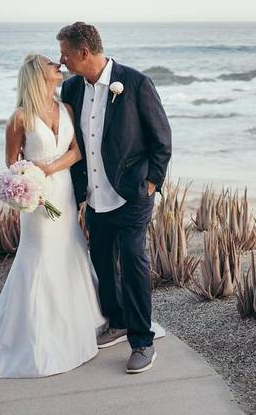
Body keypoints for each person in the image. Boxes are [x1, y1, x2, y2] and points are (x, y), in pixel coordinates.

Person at [0, 53, 164, 378]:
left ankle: (86, 328)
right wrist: (24, 190)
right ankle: (35, 334)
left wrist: (50, 169)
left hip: (63, 193)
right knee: (38, 259)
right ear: (37, 74)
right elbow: (12, 166)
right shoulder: (19, 118)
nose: (59, 63)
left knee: (71, 254)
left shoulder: (66, 105)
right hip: (36, 202)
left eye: (60, 57)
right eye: (51, 62)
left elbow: (78, 150)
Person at [58, 21, 172, 374]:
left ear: (84, 52)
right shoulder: (72, 89)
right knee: (102, 262)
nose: (61, 61)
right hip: (94, 198)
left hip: (131, 196)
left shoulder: (135, 83)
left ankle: (142, 341)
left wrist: (151, 183)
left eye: (65, 54)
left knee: (134, 263)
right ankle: (118, 321)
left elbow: (161, 139)